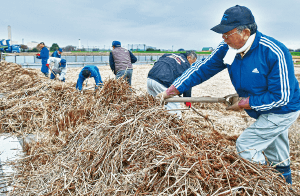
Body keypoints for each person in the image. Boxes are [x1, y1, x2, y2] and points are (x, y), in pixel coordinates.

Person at [158, 5, 300, 184]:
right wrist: (173, 89)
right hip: (260, 106)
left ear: (245, 32)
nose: (223, 39)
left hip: (282, 110)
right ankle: (285, 186)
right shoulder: (228, 49)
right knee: (277, 154)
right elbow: (201, 68)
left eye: (227, 34)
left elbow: (281, 97)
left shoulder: (274, 52)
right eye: (222, 35)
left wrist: (244, 103)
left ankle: (267, 186)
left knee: (246, 146)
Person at [147, 51, 197, 118]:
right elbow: (187, 82)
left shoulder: (169, 54)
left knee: (154, 105)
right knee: (175, 110)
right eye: (192, 62)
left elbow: (158, 62)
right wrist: (187, 100)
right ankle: (178, 123)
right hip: (162, 82)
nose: (191, 64)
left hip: (150, 78)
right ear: (189, 57)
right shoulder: (186, 64)